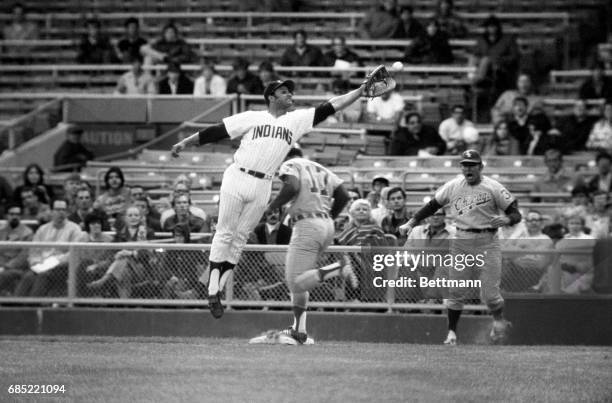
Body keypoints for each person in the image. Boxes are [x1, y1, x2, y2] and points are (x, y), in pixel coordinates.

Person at [170, 77, 369, 318]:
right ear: (271, 97)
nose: (290, 95)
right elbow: (216, 131)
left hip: (263, 183)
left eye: (290, 92)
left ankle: (218, 290)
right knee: (224, 232)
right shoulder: (253, 116)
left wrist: (359, 91)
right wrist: (185, 142)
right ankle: (213, 287)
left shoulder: (295, 121)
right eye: (284, 91)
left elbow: (330, 106)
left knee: (241, 237)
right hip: (237, 175)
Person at [399, 150, 522, 345]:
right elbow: (432, 205)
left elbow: (516, 213)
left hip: (487, 241)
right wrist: (411, 222)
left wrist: (507, 219)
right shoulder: (454, 185)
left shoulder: (494, 187)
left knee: (490, 295)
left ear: (480, 167)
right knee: (455, 291)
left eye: (472, 164)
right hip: (462, 240)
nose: (468, 168)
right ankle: (451, 334)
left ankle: (498, 319)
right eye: (464, 164)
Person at [251, 148, 352, 344]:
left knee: (295, 282)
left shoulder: (290, 164)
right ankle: (299, 331)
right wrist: (327, 218)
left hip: (307, 224)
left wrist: (271, 207)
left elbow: (292, 186)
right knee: (299, 284)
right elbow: (344, 195)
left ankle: (338, 267)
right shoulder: (320, 168)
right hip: (325, 225)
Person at [14, 199, 83, 297]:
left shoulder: (75, 229)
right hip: (41, 265)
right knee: (28, 276)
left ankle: (34, 306)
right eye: (57, 210)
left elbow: (74, 253)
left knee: (44, 276)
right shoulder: (43, 229)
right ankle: (15, 305)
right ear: (51, 211)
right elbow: (34, 251)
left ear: (67, 212)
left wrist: (52, 262)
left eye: (63, 210)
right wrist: (36, 263)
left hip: (62, 267)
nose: (61, 213)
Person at [501, 210, 554, 292]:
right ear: (525, 223)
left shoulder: (546, 239)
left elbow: (538, 263)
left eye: (536, 220)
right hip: (513, 273)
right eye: (530, 220)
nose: (533, 223)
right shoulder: (520, 238)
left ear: (541, 223)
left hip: (533, 275)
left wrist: (516, 255)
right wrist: (518, 233)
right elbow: (504, 251)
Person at [0, 204, 34, 296]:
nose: (14, 216)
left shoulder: (27, 232)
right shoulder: (1, 230)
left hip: (16, 268)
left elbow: (24, 256)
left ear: (21, 216)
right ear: (6, 215)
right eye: (11, 214)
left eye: (17, 214)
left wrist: (5, 267)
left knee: (3, 275)